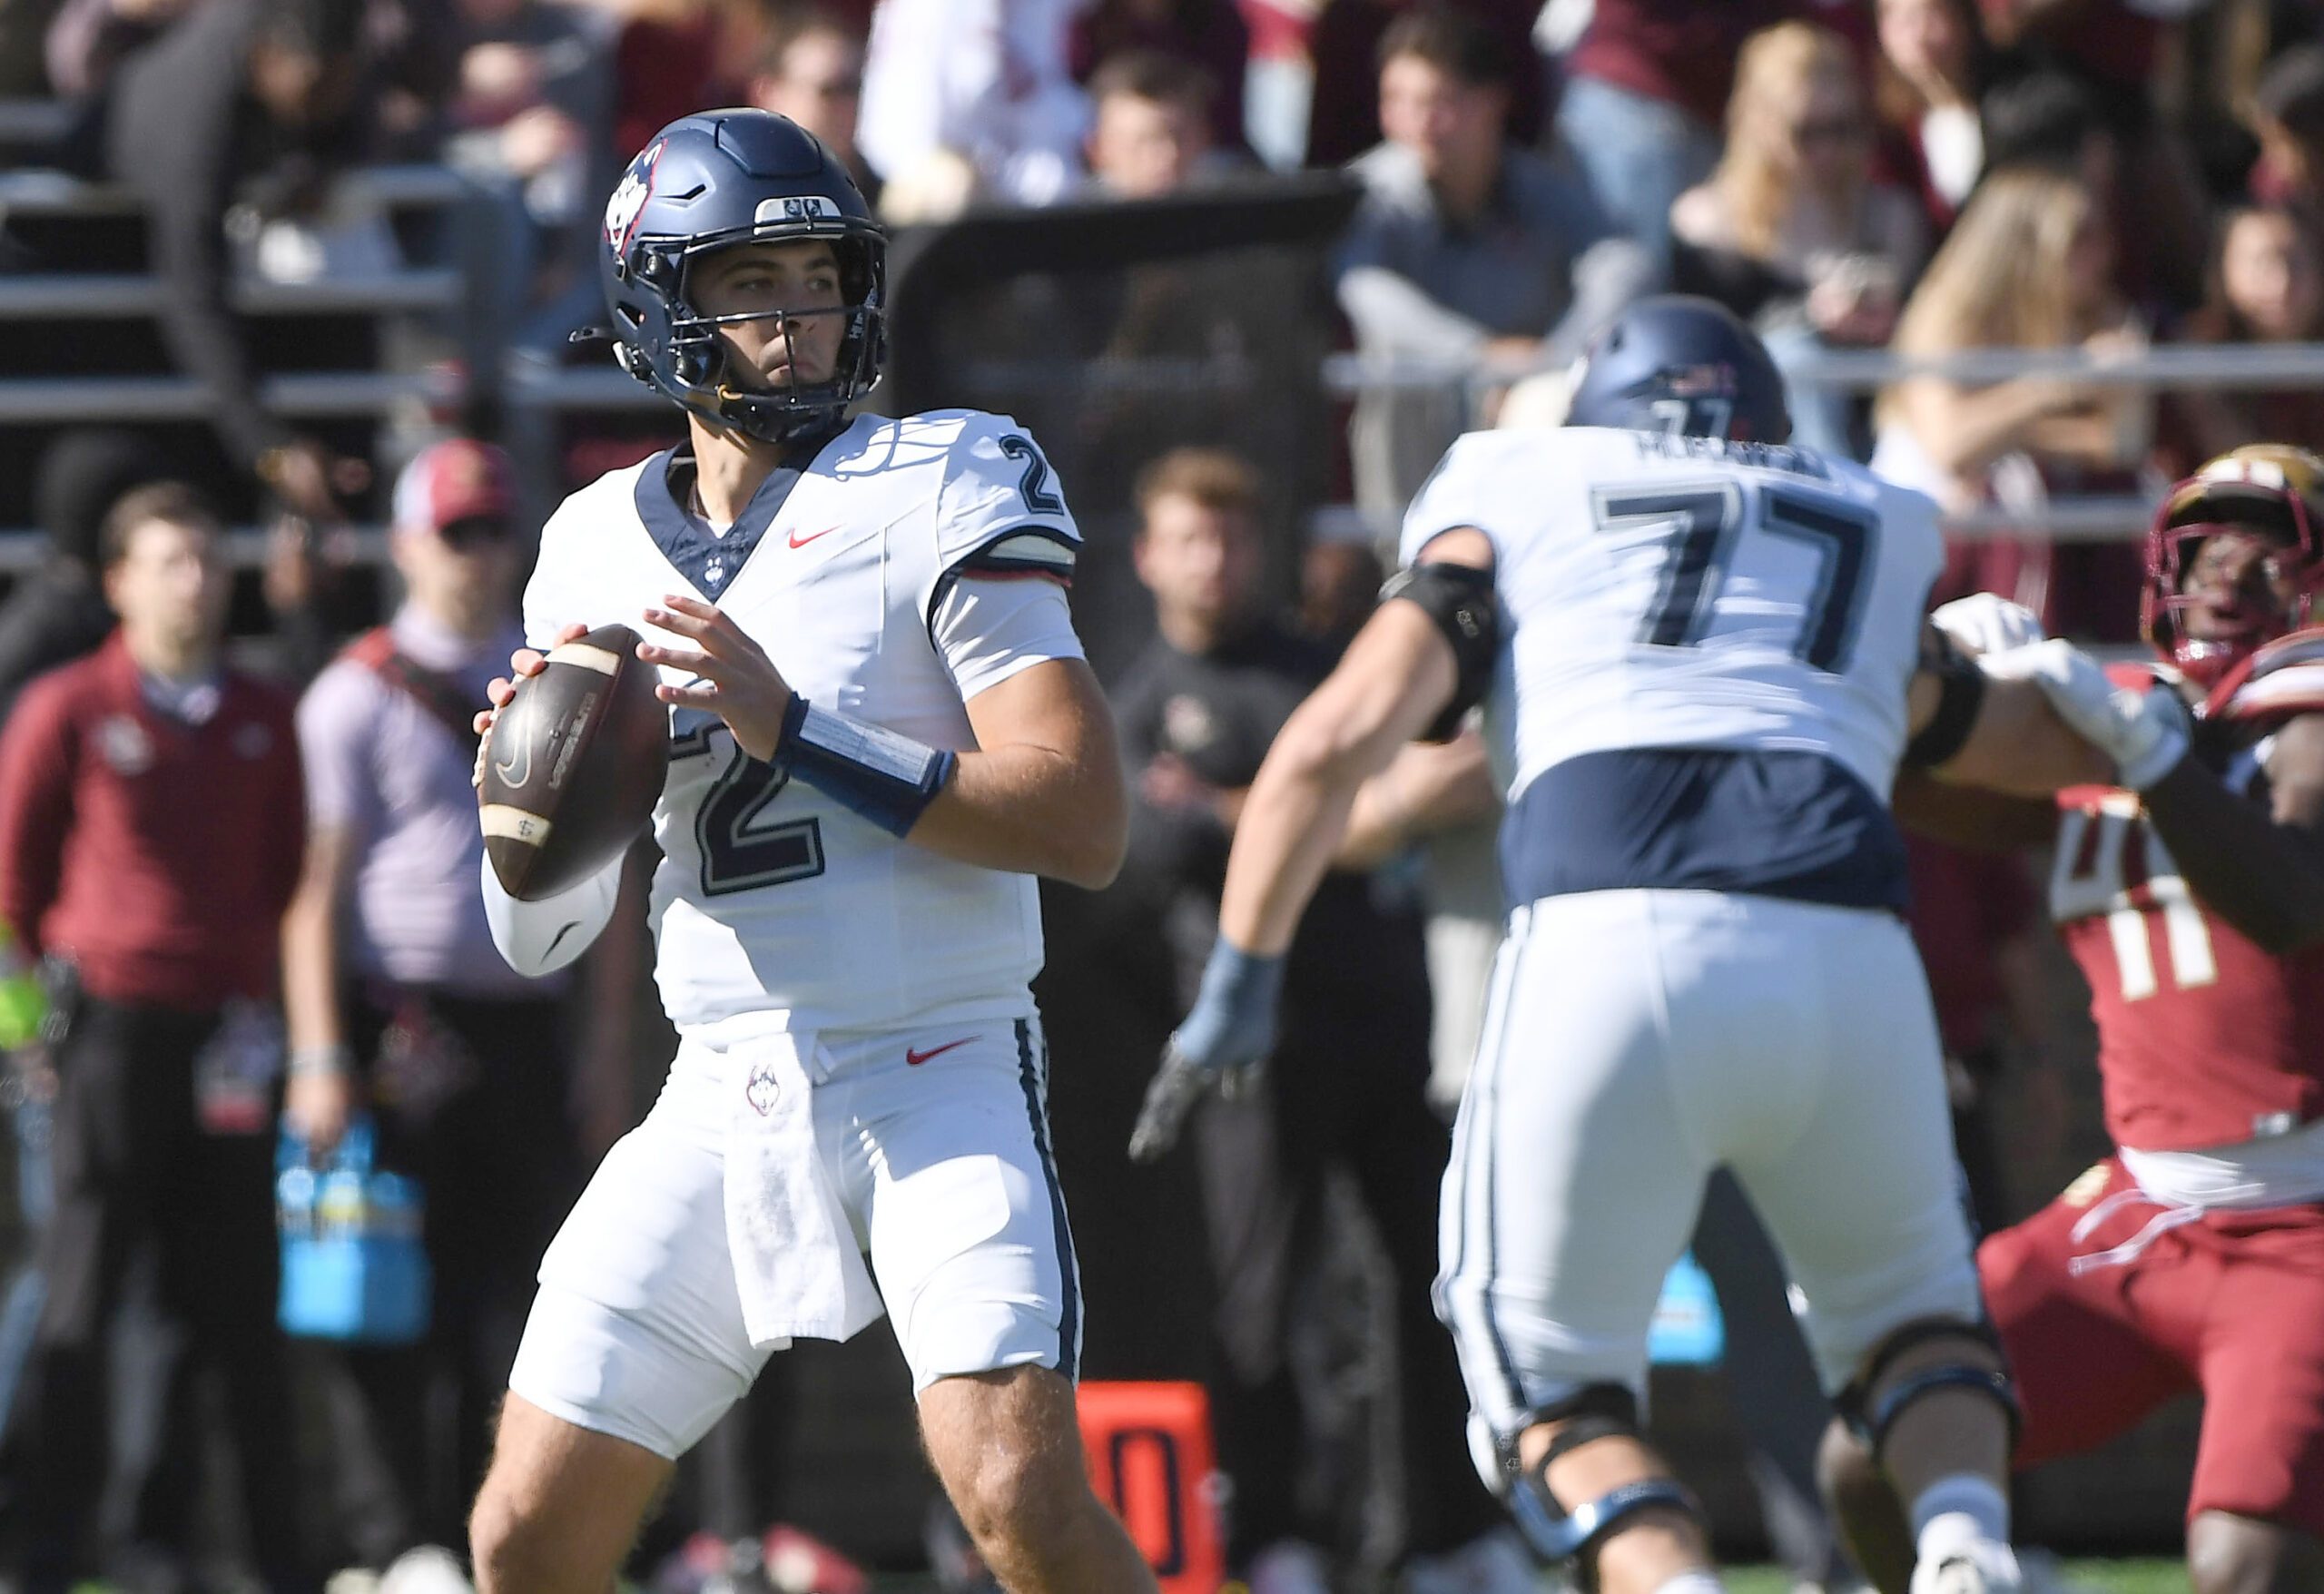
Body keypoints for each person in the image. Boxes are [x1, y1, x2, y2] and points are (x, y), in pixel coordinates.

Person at [1128, 295, 2121, 1594]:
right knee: (1917, 1325)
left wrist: (1241, 978)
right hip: (1854, 955)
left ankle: (1674, 1580)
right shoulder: (1867, 514)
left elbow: (1326, 745)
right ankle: (1966, 1545)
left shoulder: (1514, 483)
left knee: (1545, 1388)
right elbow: (2019, 762)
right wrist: (2119, 716)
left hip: (1610, 941)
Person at [461, 109, 1157, 1594]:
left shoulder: (944, 474)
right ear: (658, 306)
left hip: (936, 1059)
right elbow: (540, 938)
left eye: (820, 277)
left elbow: (1082, 816)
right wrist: (521, 811)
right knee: (523, 1532)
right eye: (750, 282)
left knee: (1019, 1497)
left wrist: (796, 731)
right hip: (720, 1081)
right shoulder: (587, 543)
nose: (799, 319)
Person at [1831, 444, 2324, 1594]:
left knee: (2245, 1563)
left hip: (2305, 1220)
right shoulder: (2125, 722)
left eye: (2266, 541)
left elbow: (2287, 899)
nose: (2226, 566)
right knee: (1876, 1450)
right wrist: (1925, 678)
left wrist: (2145, 750)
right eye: (2204, 542)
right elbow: (1905, 788)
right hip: (2145, 1205)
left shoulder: (2288, 727)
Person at [1109, 448, 1530, 1594]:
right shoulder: (1141, 703)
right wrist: (1352, 807)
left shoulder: (1330, 666)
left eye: (1233, 534)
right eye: (1189, 537)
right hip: (1248, 1051)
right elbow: (1165, 849)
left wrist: (1269, 805)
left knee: (1434, 1281)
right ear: (1147, 556)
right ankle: (1277, 1539)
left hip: (1386, 1023)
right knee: (1260, 1298)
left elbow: (1444, 770)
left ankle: (1451, 1535)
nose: (1214, 558)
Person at [278, 438, 622, 1568]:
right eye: (453, 532)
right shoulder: (353, 691)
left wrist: (605, 1051)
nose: (476, 554)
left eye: (492, 530)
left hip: (525, 1024)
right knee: (384, 1289)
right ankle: (392, 1538)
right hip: (401, 1025)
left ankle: (501, 1531)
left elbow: (610, 879)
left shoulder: (554, 680)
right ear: (405, 544)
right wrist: (319, 1054)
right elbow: (314, 892)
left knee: (521, 1296)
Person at [0, 484, 310, 1593]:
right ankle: (41, 1550)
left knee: (213, 1306)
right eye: (171, 560)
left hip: (224, 1038)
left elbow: (283, 874)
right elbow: (12, 882)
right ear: (119, 581)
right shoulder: (70, 706)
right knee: (80, 1295)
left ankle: (162, 1547)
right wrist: (31, 1036)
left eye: (209, 559)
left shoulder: (263, 715)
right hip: (106, 1038)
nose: (196, 581)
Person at [1334, 5, 1650, 518]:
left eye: (1438, 102)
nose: (1416, 123)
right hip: (1423, 421)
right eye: (1397, 100)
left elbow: (1620, 262)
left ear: (1492, 102)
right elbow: (1363, 287)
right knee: (1393, 369)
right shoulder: (1371, 193)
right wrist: (1478, 355)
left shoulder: (1541, 185)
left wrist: (1554, 361)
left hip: (1529, 419)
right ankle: (1408, 553)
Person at [1670, 20, 1925, 458]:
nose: (1827, 150)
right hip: (1759, 438)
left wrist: (1887, 320)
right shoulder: (1707, 223)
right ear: (1760, 123)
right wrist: (1809, 317)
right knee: (1799, 359)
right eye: (1806, 132)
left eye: (1842, 128)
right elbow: (1702, 354)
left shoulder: (1891, 218)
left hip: (1882, 423)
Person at [1081, 49, 1219, 200]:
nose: (1170, 154)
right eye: (1147, 140)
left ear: (1205, 137)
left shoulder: (1229, 203)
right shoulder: (1075, 211)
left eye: (1181, 137)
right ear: (1098, 149)